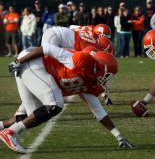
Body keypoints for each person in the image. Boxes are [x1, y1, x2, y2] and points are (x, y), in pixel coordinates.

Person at [0, 45, 133, 153]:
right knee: (55, 104)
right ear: (98, 68)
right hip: (31, 61)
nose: (107, 81)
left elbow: (99, 112)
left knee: (32, 115)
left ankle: (3, 129)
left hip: (37, 69)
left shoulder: (90, 83)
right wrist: (19, 61)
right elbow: (47, 48)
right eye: (108, 76)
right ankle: (11, 132)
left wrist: (119, 137)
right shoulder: (82, 60)